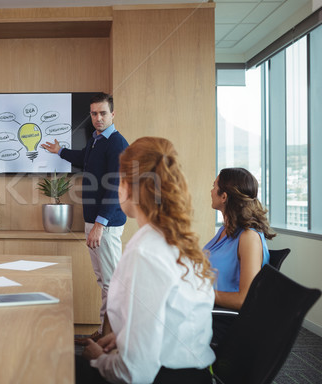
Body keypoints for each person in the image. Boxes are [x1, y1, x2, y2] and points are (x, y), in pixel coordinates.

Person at [76, 137, 216, 384]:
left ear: (128, 186)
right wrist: (122, 337)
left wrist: (97, 358)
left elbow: (134, 373)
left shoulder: (146, 253)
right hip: (190, 370)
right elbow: (168, 317)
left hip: (166, 377)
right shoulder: (176, 239)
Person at [42, 92, 128, 339]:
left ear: (113, 114)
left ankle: (112, 337)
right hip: (95, 222)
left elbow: (115, 186)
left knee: (112, 283)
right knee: (103, 280)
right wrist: (61, 151)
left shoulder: (117, 143)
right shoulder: (96, 140)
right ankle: (104, 331)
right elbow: (85, 158)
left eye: (103, 113)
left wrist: (100, 225)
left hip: (106, 224)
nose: (98, 118)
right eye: (94, 113)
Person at [204, 167, 274, 344]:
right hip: (206, 308)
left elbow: (245, 299)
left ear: (224, 196)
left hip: (222, 320)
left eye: (214, 186)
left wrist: (201, 294)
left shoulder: (248, 237)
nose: (211, 191)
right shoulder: (225, 230)